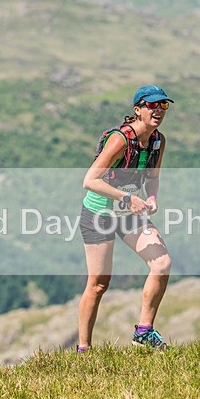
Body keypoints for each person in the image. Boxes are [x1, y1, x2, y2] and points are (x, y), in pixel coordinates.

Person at [77, 85, 174, 352]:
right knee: (98, 284)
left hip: (130, 213)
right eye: (152, 105)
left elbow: (152, 178)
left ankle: (144, 331)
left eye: (163, 106)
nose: (158, 111)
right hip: (100, 213)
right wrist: (126, 198)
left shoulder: (157, 140)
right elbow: (90, 180)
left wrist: (152, 198)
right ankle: (84, 350)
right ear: (137, 109)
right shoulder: (120, 140)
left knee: (162, 263)